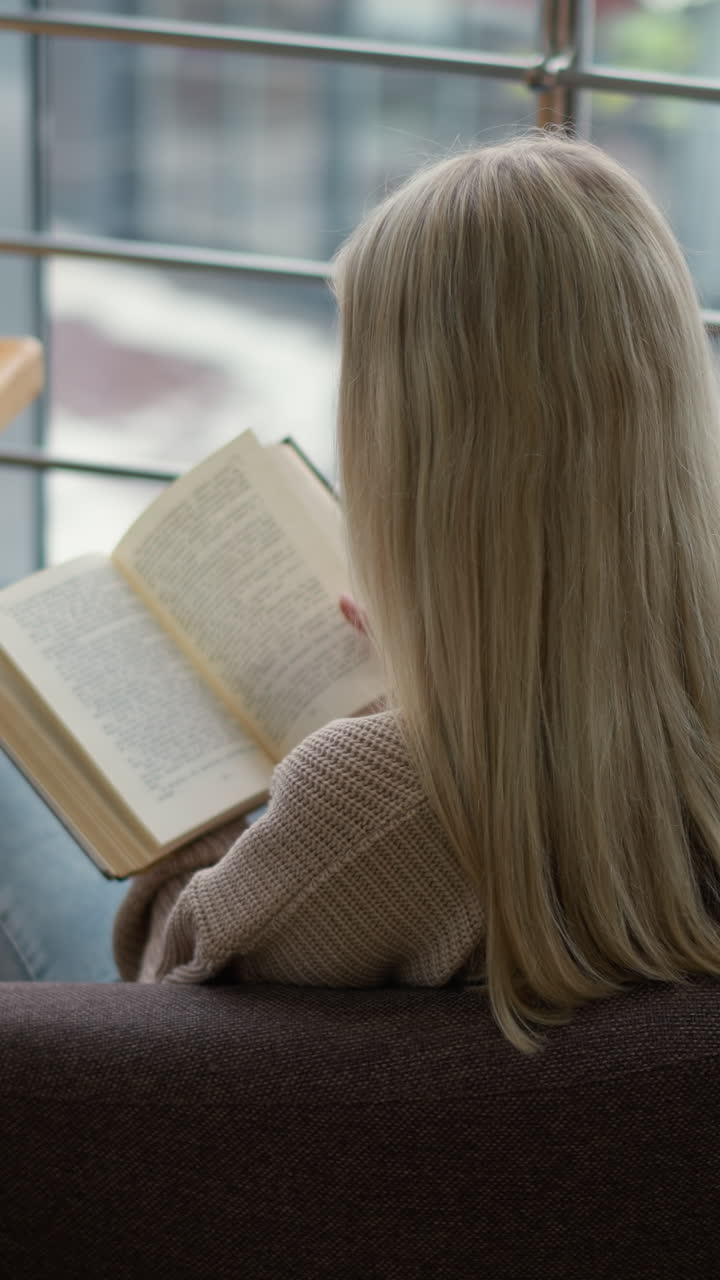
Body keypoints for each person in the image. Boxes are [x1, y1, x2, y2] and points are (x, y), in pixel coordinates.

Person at [4, 129, 720, 1054]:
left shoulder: (378, 800)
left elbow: (163, 1002)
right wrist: (428, 674)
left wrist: (194, 830)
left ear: (424, 469)